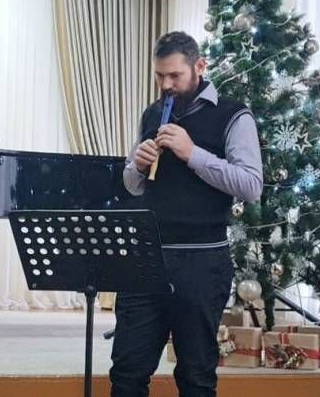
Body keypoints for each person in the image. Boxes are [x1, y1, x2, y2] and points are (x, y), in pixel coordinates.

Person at [110, 31, 262, 396]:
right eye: (160, 76)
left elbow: (251, 185)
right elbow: (133, 185)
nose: (166, 85)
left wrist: (192, 154)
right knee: (127, 373)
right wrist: (136, 165)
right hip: (146, 259)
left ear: (200, 66)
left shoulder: (233, 115)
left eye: (175, 75)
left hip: (202, 261)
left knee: (196, 376)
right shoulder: (153, 113)